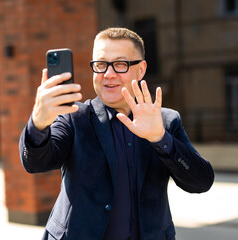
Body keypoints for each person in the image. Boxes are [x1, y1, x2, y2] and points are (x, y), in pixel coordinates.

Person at [19, 27, 214, 240]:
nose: (108, 74)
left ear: (141, 70)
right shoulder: (74, 117)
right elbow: (36, 163)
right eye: (101, 64)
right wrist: (38, 123)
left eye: (120, 64)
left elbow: (201, 182)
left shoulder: (166, 121)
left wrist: (160, 138)